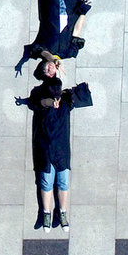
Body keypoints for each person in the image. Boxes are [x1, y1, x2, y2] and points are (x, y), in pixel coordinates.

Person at [18, 71, 92, 233]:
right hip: (45, 149)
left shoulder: (65, 102)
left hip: (61, 150)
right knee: (46, 181)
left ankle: (62, 212)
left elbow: (84, 95)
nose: (57, 95)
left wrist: (68, 93)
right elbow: (38, 102)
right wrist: (50, 103)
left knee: (63, 182)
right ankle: (46, 213)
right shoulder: (41, 101)